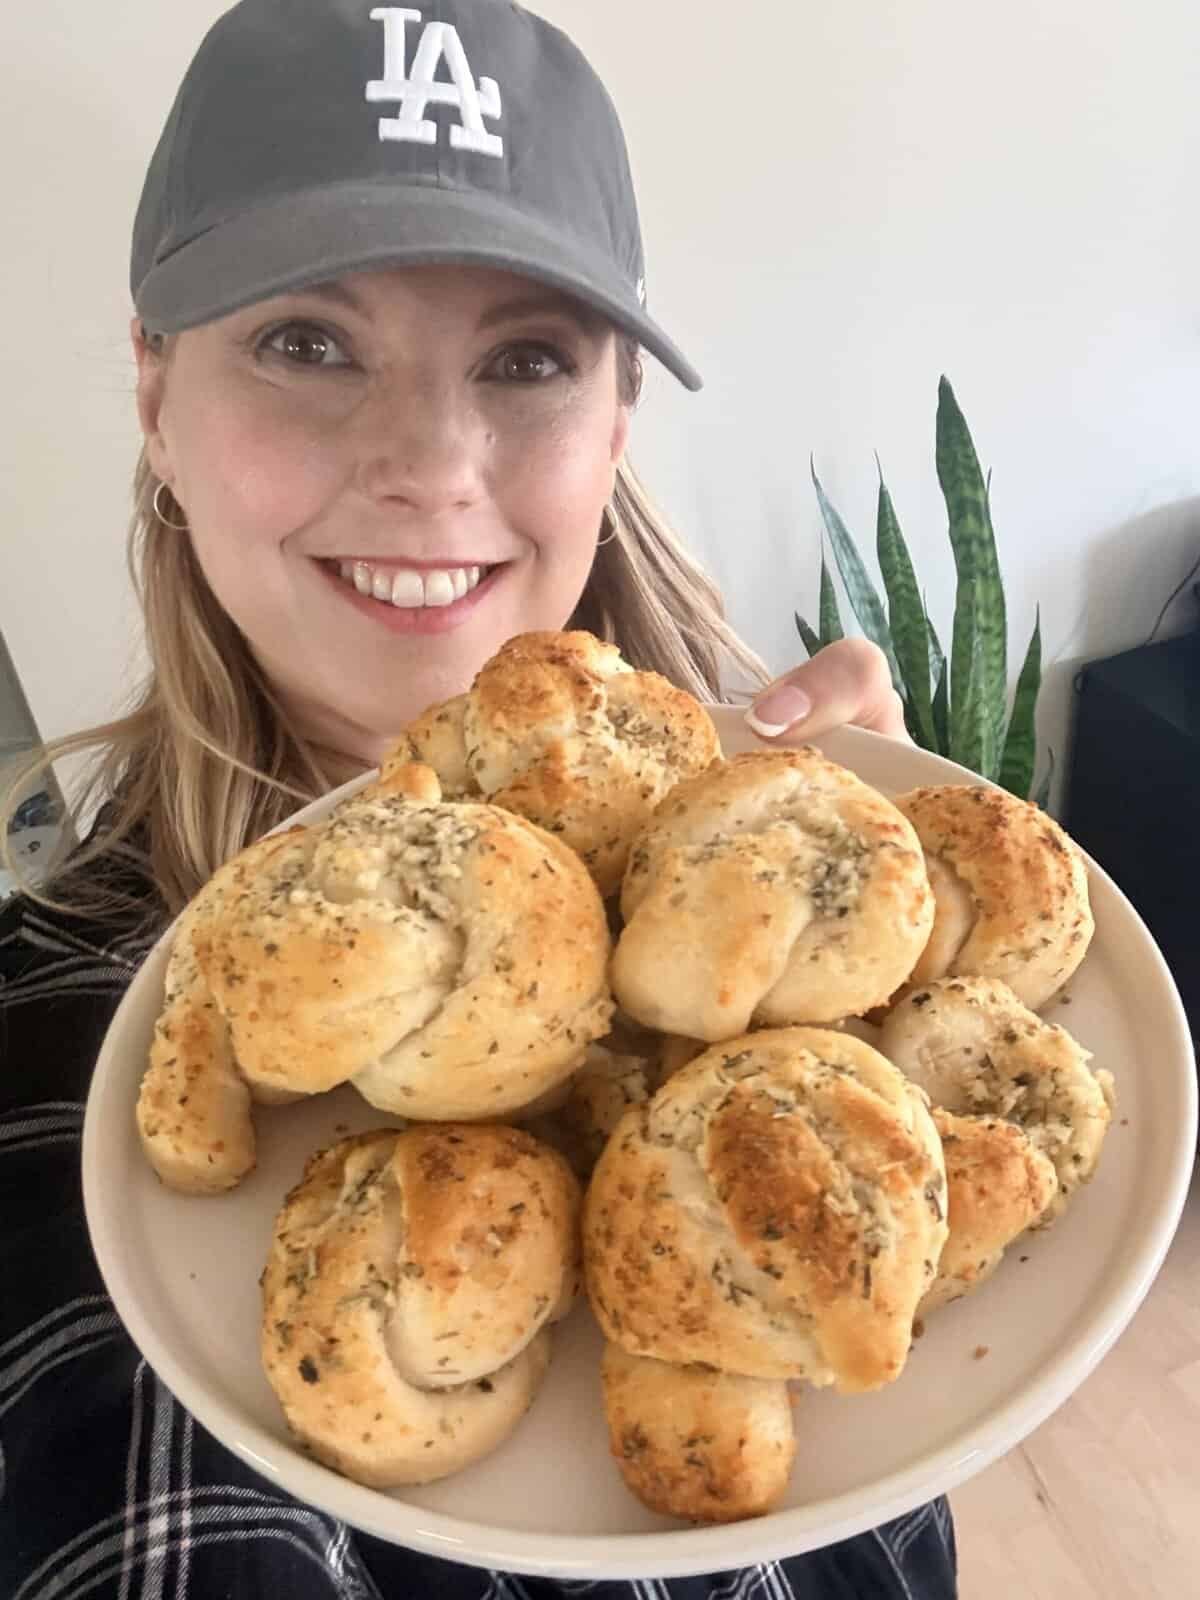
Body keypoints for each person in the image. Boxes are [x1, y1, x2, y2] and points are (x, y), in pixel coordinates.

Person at [0, 1, 954, 1595]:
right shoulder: (52, 1059)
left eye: (526, 360)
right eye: (307, 343)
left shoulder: (768, 867)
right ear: (157, 394)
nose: (434, 464)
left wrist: (886, 976)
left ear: (617, 427)